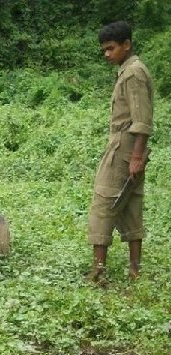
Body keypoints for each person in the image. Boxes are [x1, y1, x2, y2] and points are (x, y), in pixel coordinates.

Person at [87, 21, 154, 285]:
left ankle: (98, 271)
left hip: (124, 148)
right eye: (103, 49)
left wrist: (136, 157)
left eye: (111, 48)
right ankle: (135, 270)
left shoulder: (133, 73)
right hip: (127, 147)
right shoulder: (128, 70)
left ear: (127, 45)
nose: (106, 54)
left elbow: (142, 121)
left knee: (103, 203)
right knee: (130, 204)